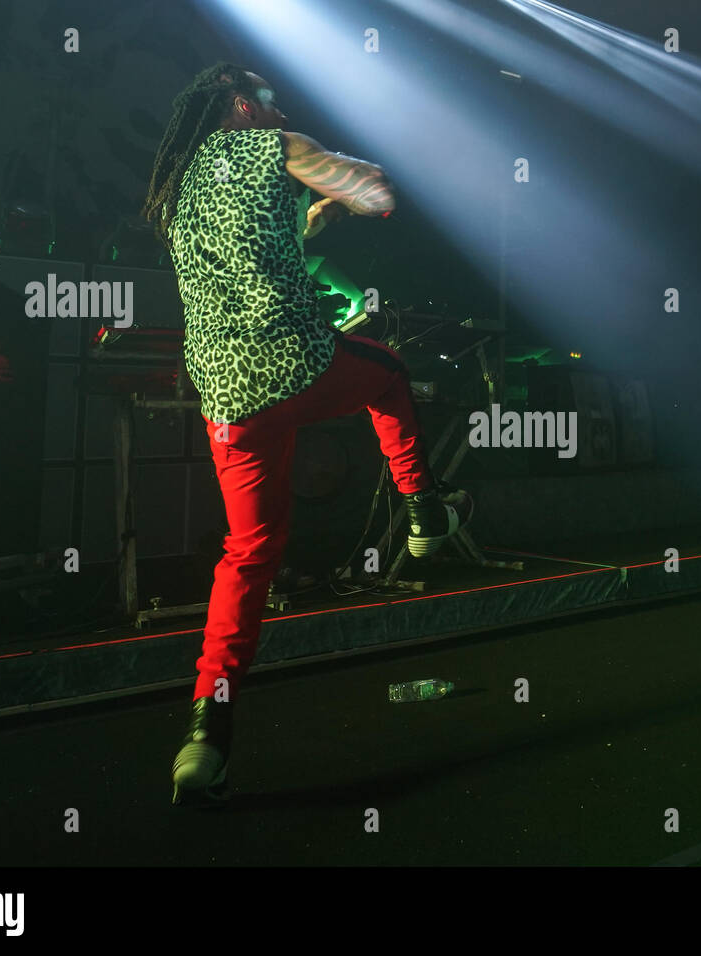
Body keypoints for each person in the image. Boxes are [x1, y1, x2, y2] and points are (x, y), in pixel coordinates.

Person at [142, 63, 471, 806]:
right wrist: (345, 184)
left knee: (249, 552)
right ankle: (423, 511)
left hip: (227, 398)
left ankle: (208, 736)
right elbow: (379, 192)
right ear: (239, 102)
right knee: (387, 373)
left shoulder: (181, 188)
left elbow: (259, 246)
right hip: (293, 363)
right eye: (268, 99)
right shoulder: (273, 147)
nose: (278, 107)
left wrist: (313, 214)